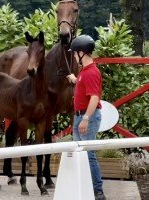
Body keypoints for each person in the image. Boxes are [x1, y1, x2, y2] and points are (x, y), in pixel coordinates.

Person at [67, 35, 106, 200]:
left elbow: (95, 98)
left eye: (75, 53)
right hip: (80, 116)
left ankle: (98, 191)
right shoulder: (84, 71)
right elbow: (85, 89)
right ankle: (84, 187)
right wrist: (76, 80)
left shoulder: (90, 73)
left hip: (85, 117)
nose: (74, 56)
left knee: (88, 154)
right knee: (79, 153)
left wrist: (86, 118)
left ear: (81, 53)